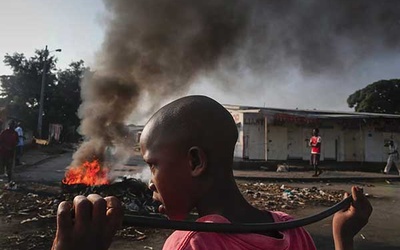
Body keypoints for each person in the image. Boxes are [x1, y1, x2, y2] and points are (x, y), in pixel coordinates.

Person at [51, 96, 372, 250]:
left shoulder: (191, 243)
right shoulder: (292, 229)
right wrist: (342, 237)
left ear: (195, 162)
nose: (150, 182)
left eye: (153, 165)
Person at [0, 120, 19, 184]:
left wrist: (14, 146)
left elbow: (17, 141)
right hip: (2, 152)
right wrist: (6, 147)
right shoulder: (4, 132)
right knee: (1, 166)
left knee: (10, 168)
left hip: (11, 153)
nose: (12, 127)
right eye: (11, 125)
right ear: (9, 125)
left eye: (13, 126)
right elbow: (0, 142)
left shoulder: (15, 133)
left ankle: (9, 180)